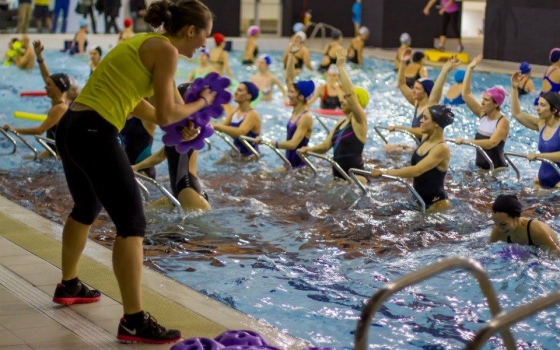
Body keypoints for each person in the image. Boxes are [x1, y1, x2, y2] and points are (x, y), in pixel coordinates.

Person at [51, 0, 216, 344]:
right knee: (132, 224)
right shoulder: (166, 51)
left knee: (86, 208)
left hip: (72, 125)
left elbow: (141, 104)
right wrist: (202, 103)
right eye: (204, 36)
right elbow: (170, 112)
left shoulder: (141, 42)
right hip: (95, 131)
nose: (205, 43)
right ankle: (134, 321)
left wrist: (182, 122)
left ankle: (68, 285)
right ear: (190, 30)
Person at [300, 48, 369, 184]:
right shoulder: (340, 123)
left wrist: (341, 67)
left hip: (356, 180)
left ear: (356, 102)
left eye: (345, 98)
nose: (342, 101)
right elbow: (325, 146)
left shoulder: (359, 121)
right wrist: (308, 150)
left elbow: (350, 94)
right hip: (338, 178)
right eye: (342, 98)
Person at [371, 105, 455, 211]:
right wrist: (399, 129)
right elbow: (417, 131)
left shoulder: (441, 148)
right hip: (418, 200)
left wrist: (384, 172)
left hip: (436, 204)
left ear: (436, 124)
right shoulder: (426, 138)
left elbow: (416, 170)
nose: (421, 120)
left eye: (425, 118)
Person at [3, 40, 69, 158]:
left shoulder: (60, 108)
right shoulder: (58, 98)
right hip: (50, 153)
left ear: (58, 88)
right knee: (24, 158)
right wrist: (39, 56)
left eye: (49, 85)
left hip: (57, 158)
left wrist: (13, 129)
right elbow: (47, 76)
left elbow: (39, 130)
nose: (45, 86)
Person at [255, 43, 314, 171]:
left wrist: (268, 143)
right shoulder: (296, 110)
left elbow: (293, 144)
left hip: (299, 169)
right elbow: (289, 78)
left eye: (292, 93)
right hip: (289, 165)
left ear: (301, 97)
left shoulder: (305, 117)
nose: (288, 94)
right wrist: (291, 55)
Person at [454, 54, 510, 170]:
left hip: (496, 170)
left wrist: (466, 141)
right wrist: (469, 68)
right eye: (482, 99)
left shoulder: (502, 121)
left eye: (486, 100)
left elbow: (491, 143)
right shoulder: (483, 115)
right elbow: (466, 95)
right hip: (481, 168)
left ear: (496, 104)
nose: (482, 102)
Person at [510, 73, 560, 189]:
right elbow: (516, 113)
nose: (538, 108)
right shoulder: (541, 124)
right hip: (542, 182)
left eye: (542, 105)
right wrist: (514, 88)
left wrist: (538, 155)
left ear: (554, 109)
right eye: (538, 104)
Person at [389, 48, 443, 142]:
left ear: (426, 92)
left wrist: (401, 128)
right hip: (419, 147)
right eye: (413, 87)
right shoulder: (417, 103)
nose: (413, 91)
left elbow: (423, 131)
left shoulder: (431, 108)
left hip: (429, 150)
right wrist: (403, 62)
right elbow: (401, 84)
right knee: (388, 148)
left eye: (417, 89)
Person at [490, 194, 560, 253]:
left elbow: (556, 253)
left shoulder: (538, 231)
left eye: (503, 224)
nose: (499, 229)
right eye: (495, 223)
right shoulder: (498, 232)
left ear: (516, 217)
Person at [211, 82, 262, 157]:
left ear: (249, 96)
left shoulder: (252, 114)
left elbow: (240, 132)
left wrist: (215, 125)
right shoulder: (235, 110)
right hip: (236, 152)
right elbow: (222, 127)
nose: (235, 93)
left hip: (250, 156)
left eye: (240, 90)